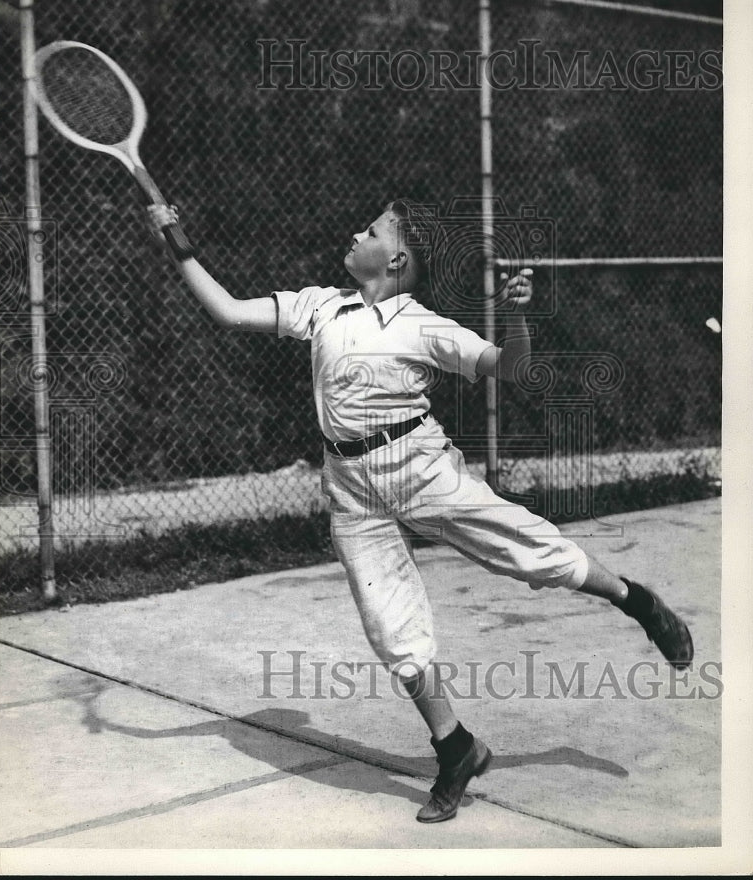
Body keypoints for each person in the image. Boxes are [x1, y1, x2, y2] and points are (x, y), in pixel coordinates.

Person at [145, 197, 694, 824]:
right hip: (350, 486)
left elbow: (510, 369)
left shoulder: (421, 325)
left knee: (528, 552)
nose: (356, 231)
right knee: (391, 630)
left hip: (420, 468)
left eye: (371, 229)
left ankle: (636, 600)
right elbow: (228, 311)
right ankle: (456, 748)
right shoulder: (321, 305)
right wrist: (174, 237)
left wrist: (516, 317)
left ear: (396, 257)